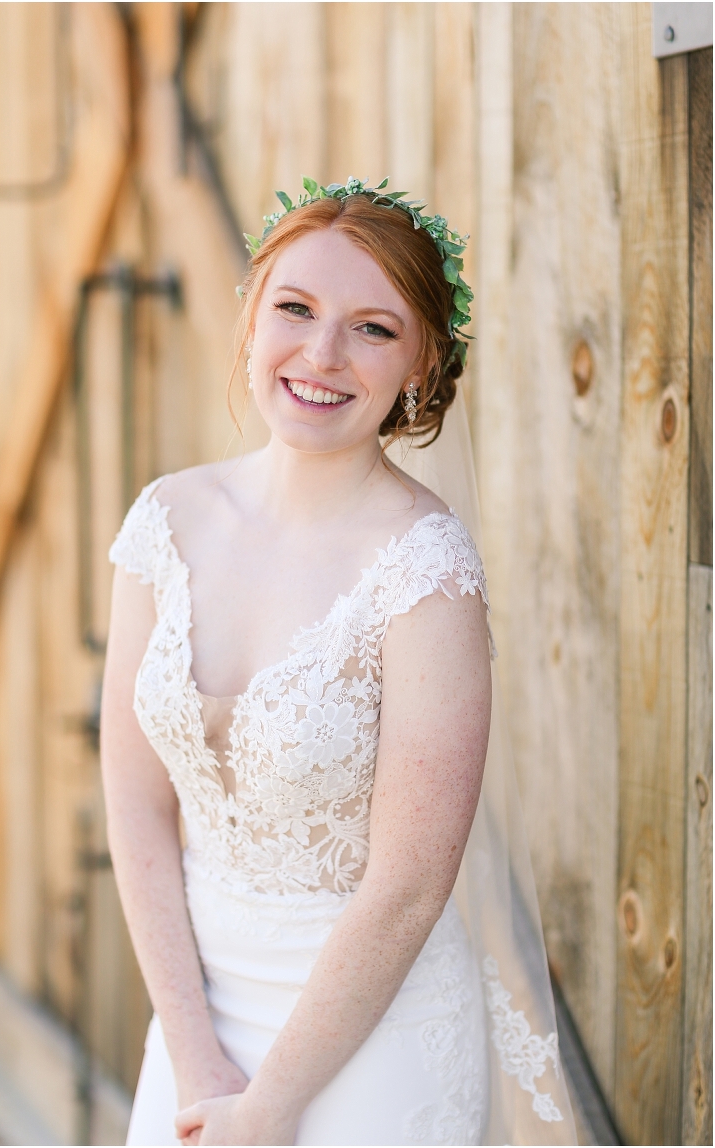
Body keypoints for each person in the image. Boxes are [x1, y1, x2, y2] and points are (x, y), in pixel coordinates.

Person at [101, 178, 576, 1147]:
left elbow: (409, 884)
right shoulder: (167, 520)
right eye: (296, 308)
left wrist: (268, 1108)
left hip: (372, 1034)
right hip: (197, 1017)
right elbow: (136, 801)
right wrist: (195, 1053)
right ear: (250, 313)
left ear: (422, 363)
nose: (321, 355)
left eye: (372, 327)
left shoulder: (425, 571)